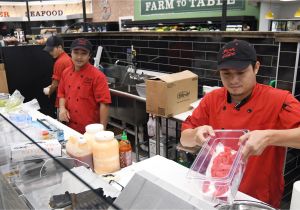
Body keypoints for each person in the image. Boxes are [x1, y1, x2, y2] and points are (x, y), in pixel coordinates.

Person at [180, 39, 300, 208]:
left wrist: (269, 136)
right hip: (216, 192)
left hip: (257, 197)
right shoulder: (212, 99)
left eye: (241, 72)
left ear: (256, 67)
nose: (233, 80)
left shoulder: (279, 99)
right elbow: (184, 139)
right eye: (226, 74)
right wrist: (196, 135)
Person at [57, 38, 111, 133]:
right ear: (71, 53)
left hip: (91, 129)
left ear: (89, 55)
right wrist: (62, 108)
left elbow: (104, 104)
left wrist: (102, 130)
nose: (79, 57)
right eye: (76, 52)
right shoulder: (65, 72)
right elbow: (61, 94)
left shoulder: (97, 76)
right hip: (70, 127)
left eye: (83, 53)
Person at [43, 35, 73, 116]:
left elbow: (55, 84)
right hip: (70, 98)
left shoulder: (59, 62)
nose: (50, 52)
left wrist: (49, 92)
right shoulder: (67, 58)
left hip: (62, 100)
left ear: (59, 47)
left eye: (51, 50)